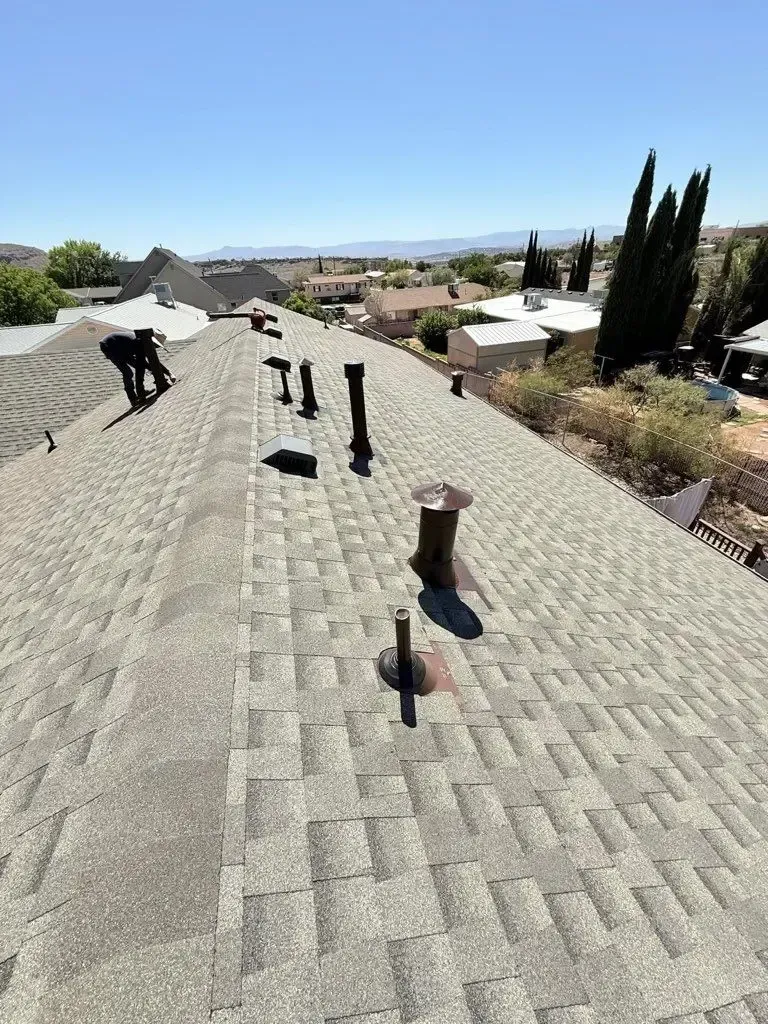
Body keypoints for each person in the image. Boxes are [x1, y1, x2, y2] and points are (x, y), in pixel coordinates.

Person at [99, 328, 172, 407]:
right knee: (128, 372)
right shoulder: (140, 343)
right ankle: (133, 398)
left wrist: (168, 373)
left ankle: (140, 393)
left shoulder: (142, 340)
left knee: (139, 366)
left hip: (122, 347)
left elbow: (151, 362)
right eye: (156, 346)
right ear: (152, 342)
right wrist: (166, 373)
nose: (156, 348)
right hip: (110, 346)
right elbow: (144, 365)